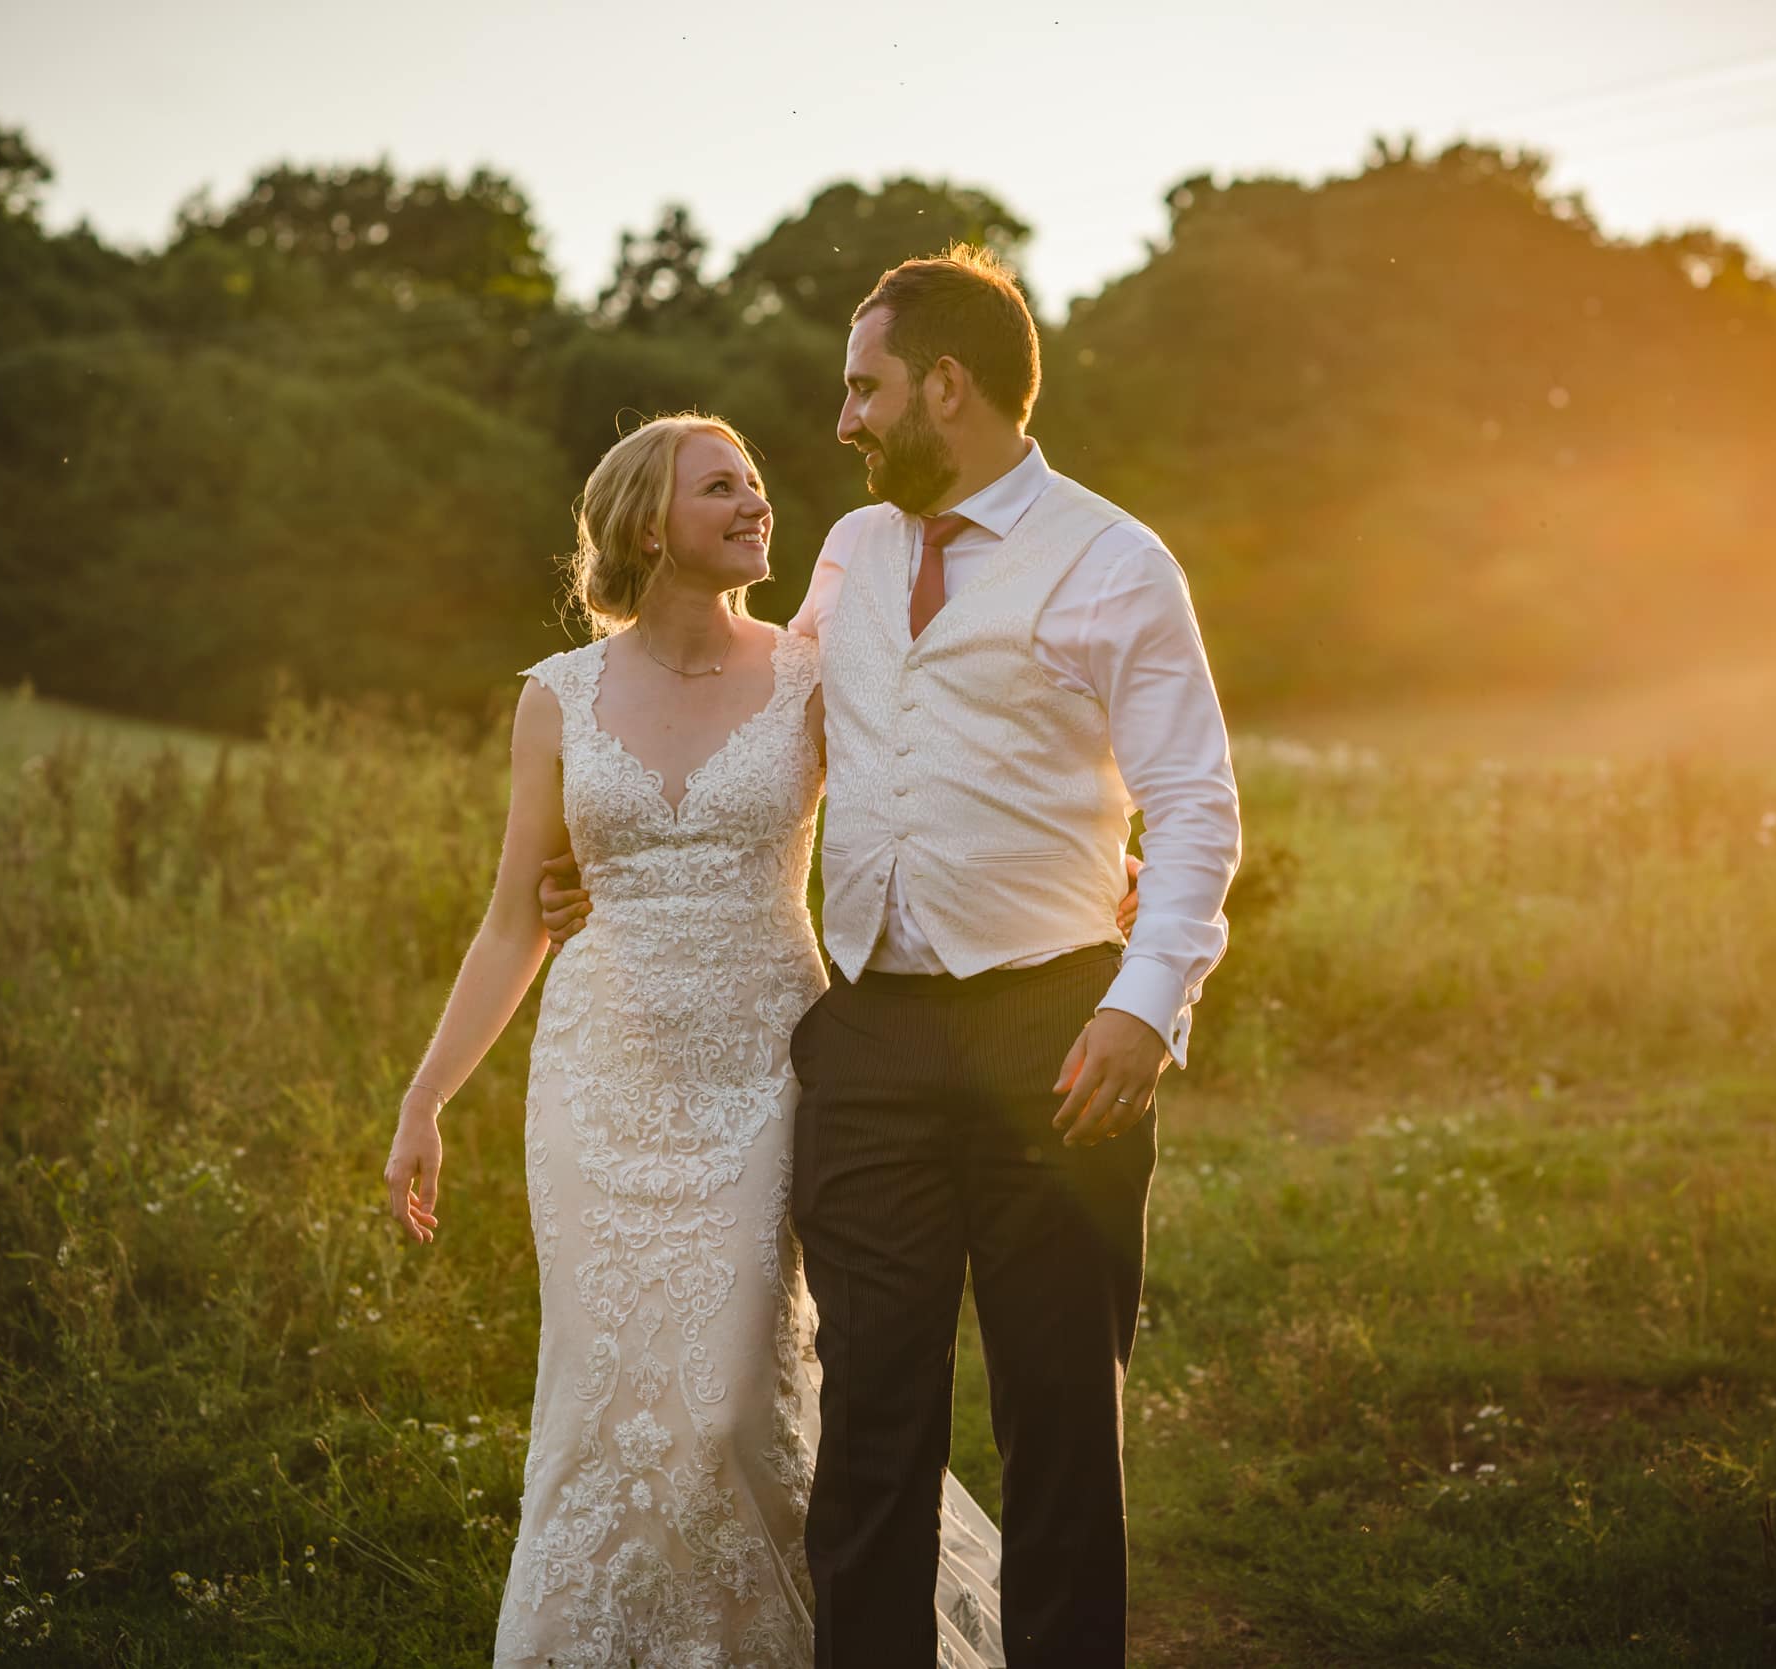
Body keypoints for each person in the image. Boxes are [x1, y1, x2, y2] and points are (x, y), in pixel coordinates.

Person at [540, 246, 1241, 1667]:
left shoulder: (1116, 562)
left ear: (947, 385)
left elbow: (1196, 807)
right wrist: (624, 836)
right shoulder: (854, 555)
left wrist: (1144, 1005)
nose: (844, 420)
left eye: (865, 388)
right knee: (867, 1425)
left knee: (1058, 1418)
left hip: (1059, 1025)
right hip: (865, 1036)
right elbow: (774, 716)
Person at [383, 412, 1052, 1666]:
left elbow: (933, 792)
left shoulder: (808, 673)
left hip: (764, 1063)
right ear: (650, 524)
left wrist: (1080, 871)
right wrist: (427, 1101)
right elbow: (511, 919)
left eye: (753, 483)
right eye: (722, 487)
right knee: (610, 1397)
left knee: (744, 1396)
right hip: (599, 1074)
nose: (757, 502)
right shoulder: (557, 697)